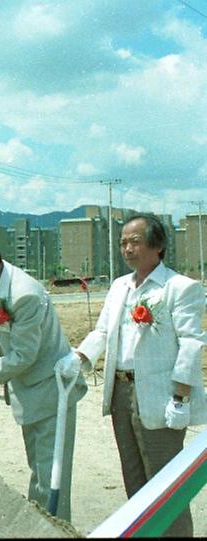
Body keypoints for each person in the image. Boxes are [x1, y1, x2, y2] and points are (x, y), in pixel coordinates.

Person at [75, 214, 206, 537]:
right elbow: (103, 331)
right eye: (123, 242)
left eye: (135, 241)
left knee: (166, 487)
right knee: (134, 481)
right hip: (121, 392)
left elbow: (191, 344)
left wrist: (180, 396)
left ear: (157, 245)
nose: (127, 249)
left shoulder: (179, 288)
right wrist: (78, 357)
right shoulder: (120, 286)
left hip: (160, 396)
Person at [0, 234, 87, 521]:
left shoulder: (23, 293)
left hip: (51, 391)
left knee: (52, 474)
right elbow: (6, 326)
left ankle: (55, 527)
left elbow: (25, 355)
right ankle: (40, 524)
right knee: (39, 467)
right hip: (31, 391)